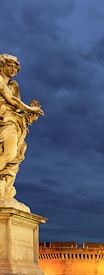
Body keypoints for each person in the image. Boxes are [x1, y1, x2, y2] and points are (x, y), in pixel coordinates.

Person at [0, 54, 43, 202]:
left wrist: (30, 115)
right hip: (4, 120)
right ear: (2, 65)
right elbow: (11, 100)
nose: (13, 69)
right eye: (10, 65)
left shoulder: (13, 86)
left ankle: (5, 190)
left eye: (15, 67)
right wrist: (30, 109)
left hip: (13, 120)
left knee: (18, 153)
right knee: (10, 153)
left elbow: (17, 109)